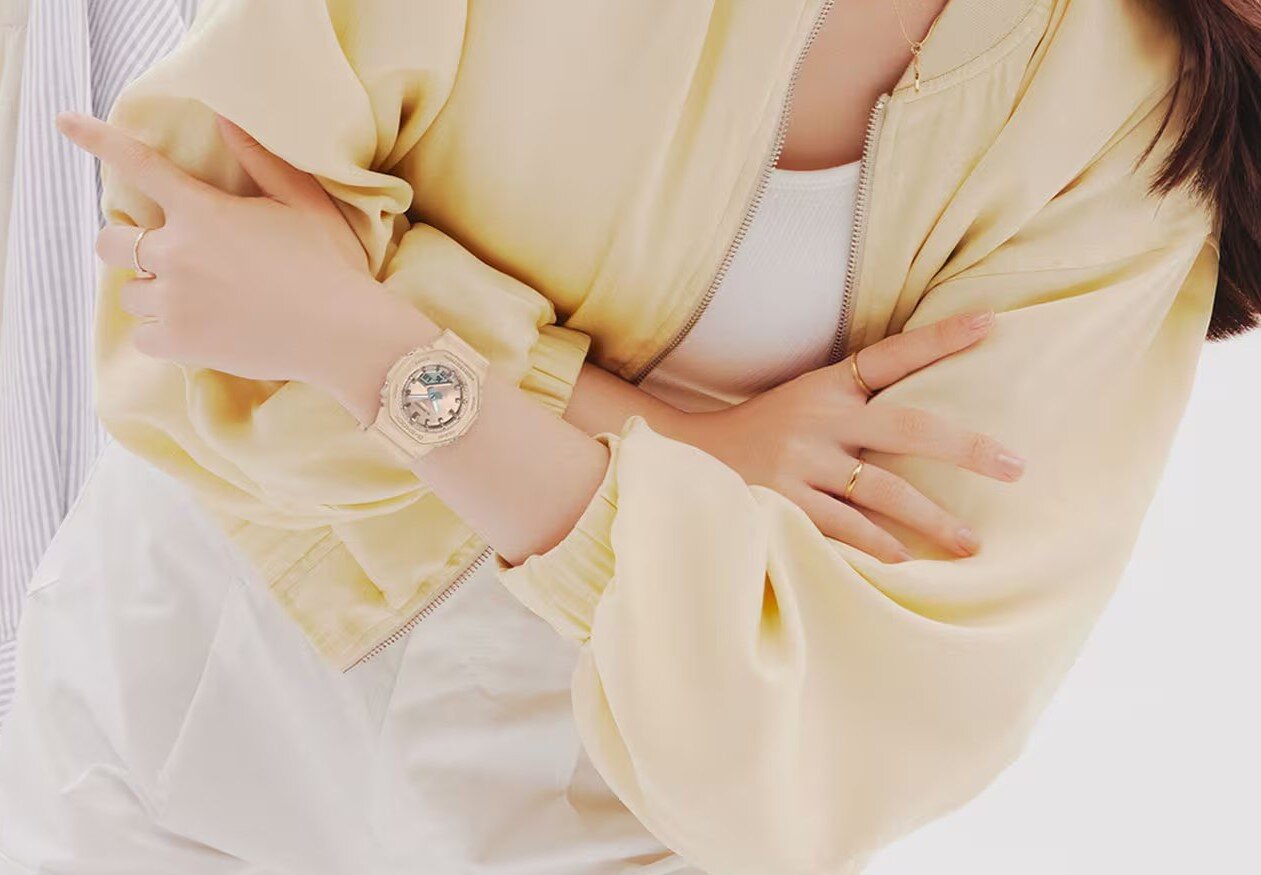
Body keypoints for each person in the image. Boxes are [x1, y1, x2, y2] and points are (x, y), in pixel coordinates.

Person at [0, 1, 1257, 873]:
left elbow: (856, 704)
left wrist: (368, 339)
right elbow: (193, 239)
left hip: (603, 822)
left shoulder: (1126, 136)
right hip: (181, 701)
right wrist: (680, 446)